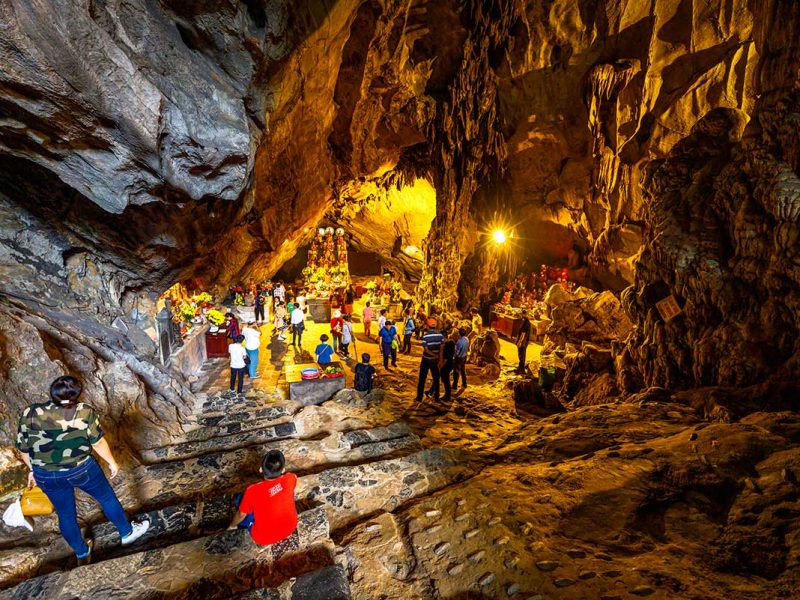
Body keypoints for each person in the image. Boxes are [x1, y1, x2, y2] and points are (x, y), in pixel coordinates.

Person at [16, 376, 150, 564]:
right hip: (81, 469)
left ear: (52, 393)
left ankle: (81, 551)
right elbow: (98, 442)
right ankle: (127, 533)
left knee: (65, 514)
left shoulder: (30, 413)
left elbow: (23, 449)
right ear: (77, 394)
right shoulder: (84, 411)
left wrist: (34, 469)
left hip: (46, 475)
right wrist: (112, 462)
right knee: (106, 498)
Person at [228, 449, 298, 546]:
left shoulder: (252, 490)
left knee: (240, 501)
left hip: (263, 537)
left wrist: (232, 526)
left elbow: (241, 514)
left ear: (261, 469)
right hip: (290, 527)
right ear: (283, 470)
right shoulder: (290, 478)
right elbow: (293, 480)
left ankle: (239, 525)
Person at [416, 319, 444, 402]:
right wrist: (440, 358)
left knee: (422, 379)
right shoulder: (440, 336)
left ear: (427, 326)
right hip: (435, 361)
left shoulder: (425, 336)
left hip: (426, 359)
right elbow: (441, 348)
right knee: (436, 378)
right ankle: (437, 397)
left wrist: (433, 355)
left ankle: (419, 397)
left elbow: (426, 349)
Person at [437, 329, 457, 402]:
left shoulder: (446, 345)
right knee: (446, 380)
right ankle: (447, 395)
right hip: (451, 362)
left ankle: (447, 396)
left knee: (446, 380)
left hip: (446, 364)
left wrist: (440, 366)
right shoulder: (451, 342)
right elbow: (454, 353)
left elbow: (445, 358)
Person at [516, 309, 532, 373]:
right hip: (524, 340)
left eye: (522, 314)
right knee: (521, 354)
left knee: (521, 354)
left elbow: (523, 333)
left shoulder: (526, 322)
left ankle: (521, 369)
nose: (520, 315)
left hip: (523, 341)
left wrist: (519, 342)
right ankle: (520, 367)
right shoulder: (525, 321)